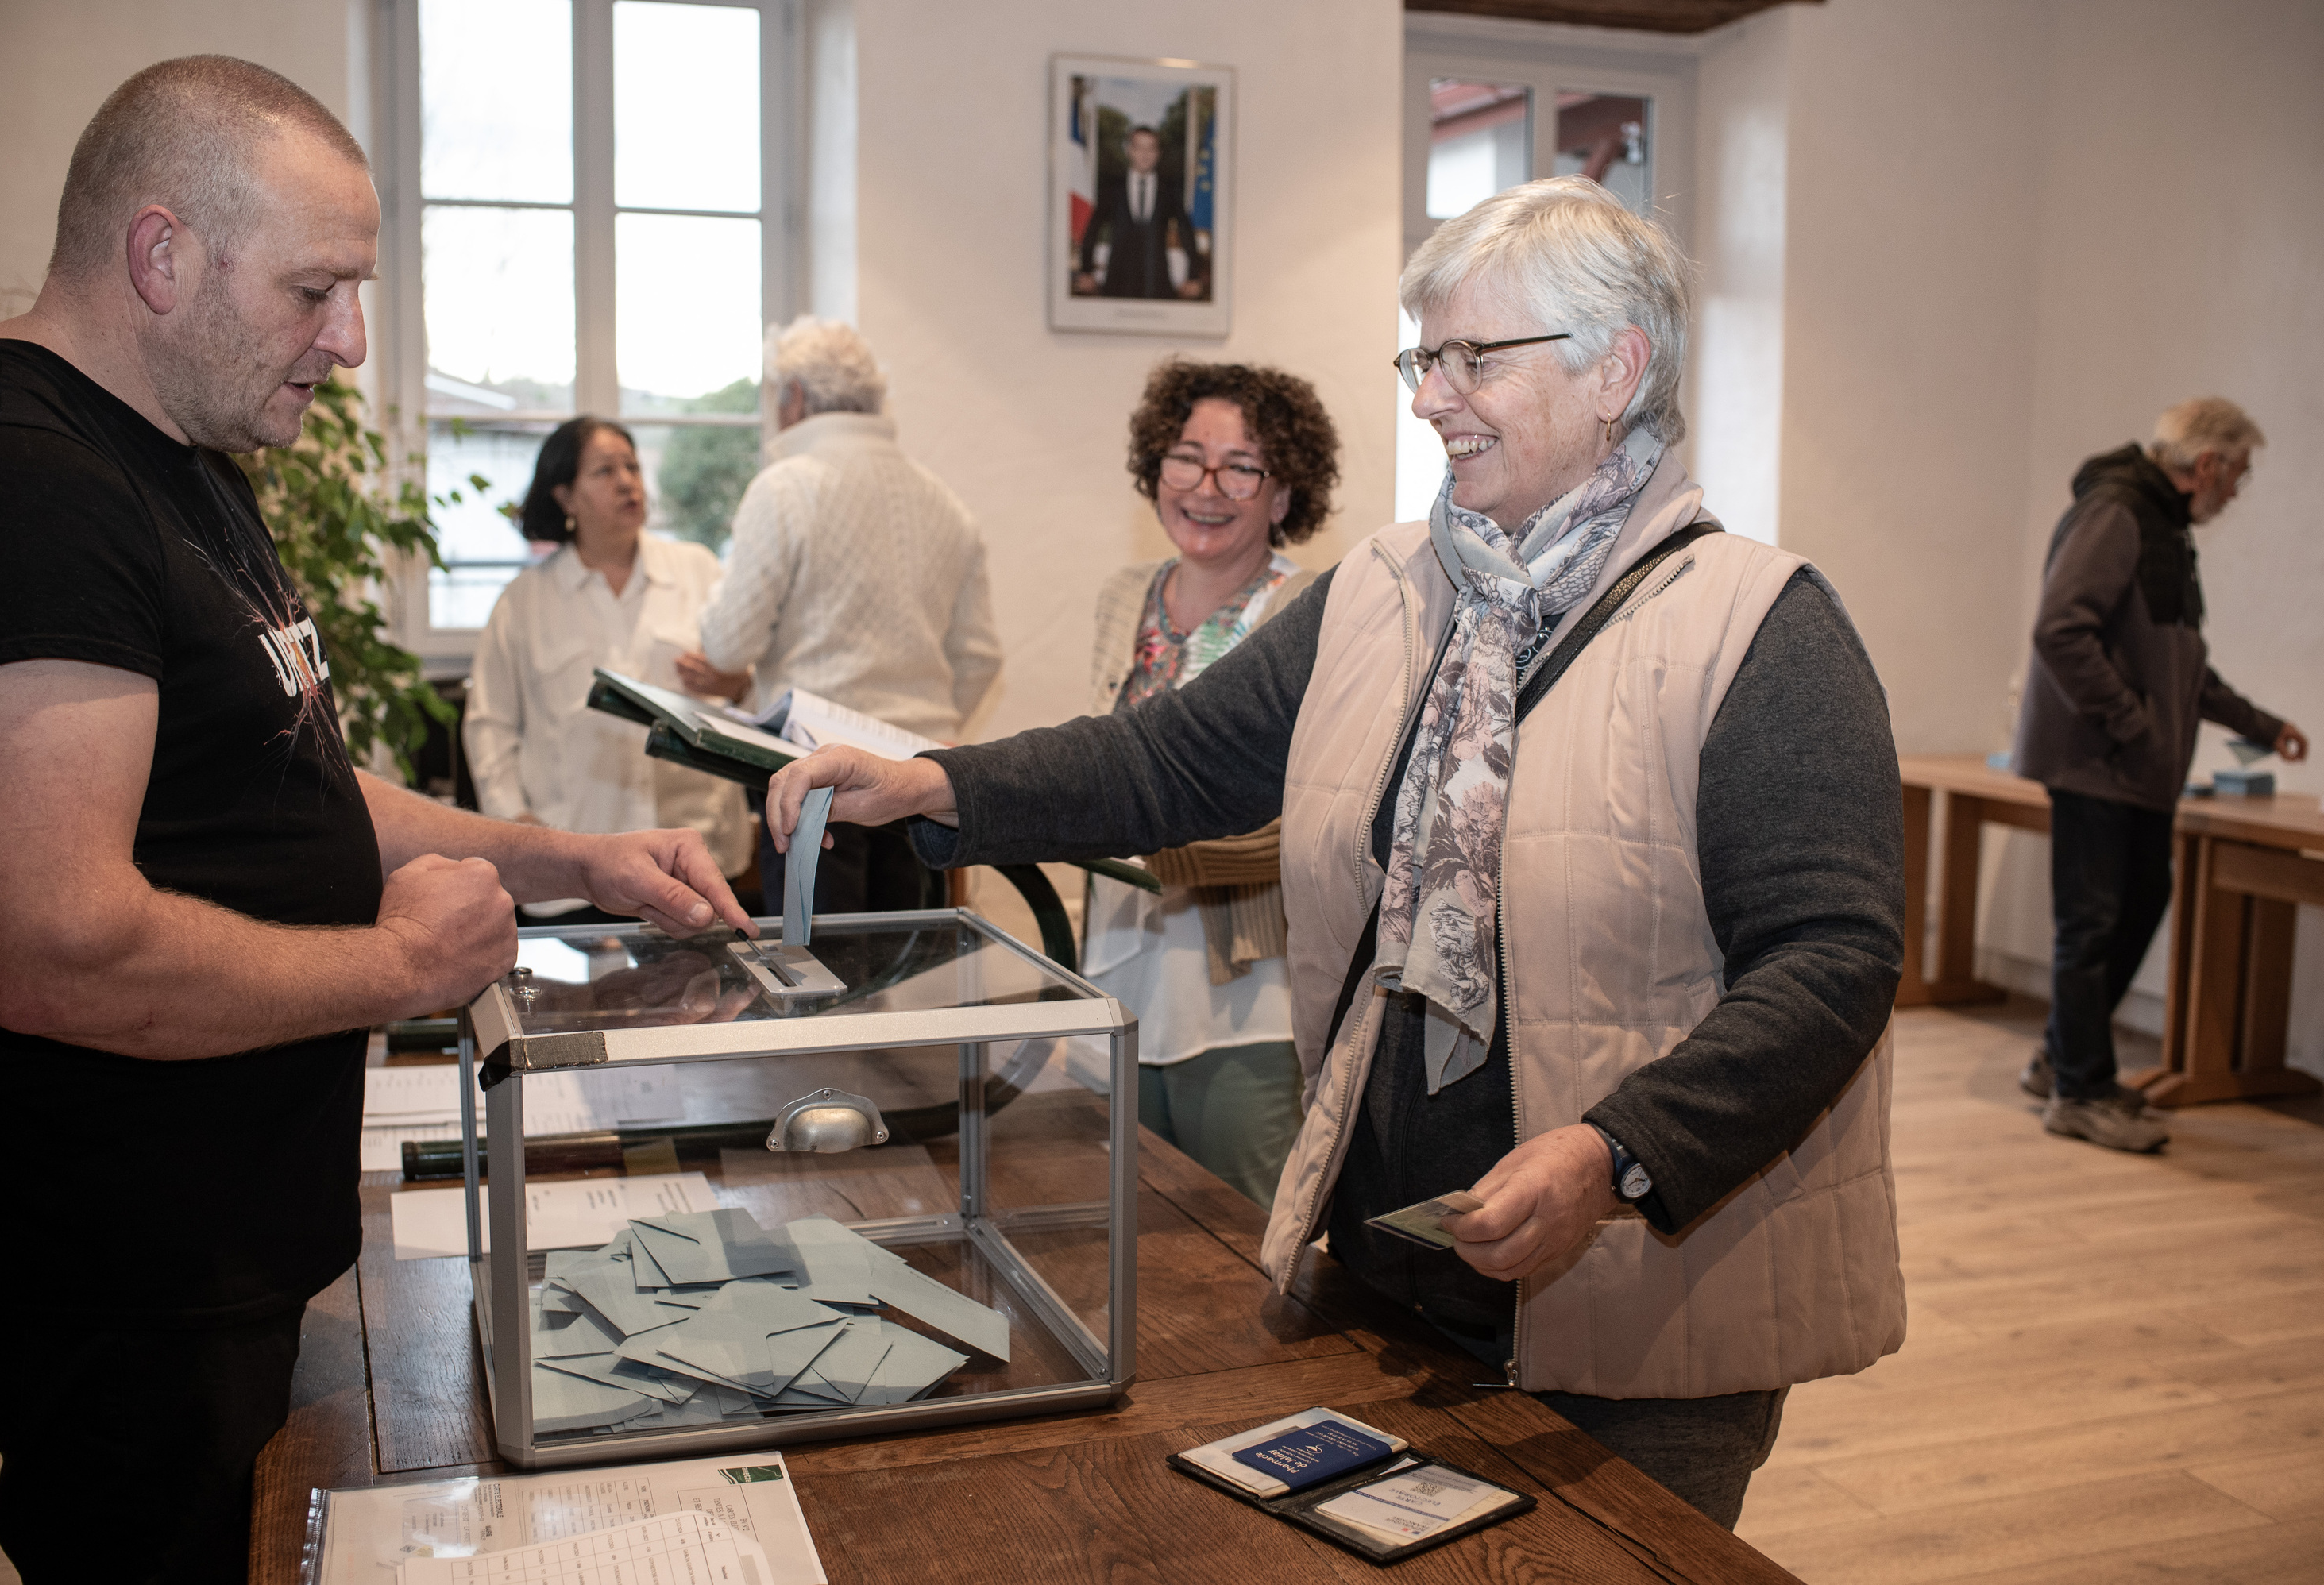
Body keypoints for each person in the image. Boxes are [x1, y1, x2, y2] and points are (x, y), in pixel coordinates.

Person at [763, 176, 1908, 1529]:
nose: (1430, 397)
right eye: (1426, 356)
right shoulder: (1390, 587)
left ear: (1620, 369)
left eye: (1476, 356)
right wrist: (932, 785)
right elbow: (1167, 761)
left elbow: (1832, 959)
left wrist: (1617, 1152)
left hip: (1639, 1312)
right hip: (1390, 1269)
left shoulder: (1763, 625)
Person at [0, 58, 747, 1583]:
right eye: (318, 288)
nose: (350, 339)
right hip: (122, 1281)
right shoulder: (25, 486)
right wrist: (398, 968)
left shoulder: (181, 451)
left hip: (223, 1251)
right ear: (162, 254)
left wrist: (569, 860)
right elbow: (50, 946)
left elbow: (293, 782)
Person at [2011, 399, 2307, 1152]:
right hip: (2097, 764)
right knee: (2094, 925)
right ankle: (2078, 1091)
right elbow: (2060, 629)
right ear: (2207, 464)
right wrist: (2135, 724)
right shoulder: (2117, 514)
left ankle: (2064, 1057)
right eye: (2237, 475)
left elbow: (2183, 670)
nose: (2237, 492)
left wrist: (2263, 726)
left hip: (2133, 770)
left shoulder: (2166, 530)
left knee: (2141, 903)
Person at [1083, 358, 1340, 1208]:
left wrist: (1141, 840)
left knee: (1243, 1236)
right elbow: (1097, 752)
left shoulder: (1310, 611)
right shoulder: (1127, 595)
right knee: (1133, 1226)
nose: (1207, 485)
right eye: (1187, 457)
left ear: (1283, 494)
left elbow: (1312, 812)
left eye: (1241, 466)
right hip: (1119, 971)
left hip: (1243, 995)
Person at [690, 315, 1000, 914]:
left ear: (796, 397)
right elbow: (980, 655)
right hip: (919, 771)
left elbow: (727, 643)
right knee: (907, 975)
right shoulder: (944, 501)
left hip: (813, 775)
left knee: (818, 976)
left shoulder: (785, 489)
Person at [465, 415, 755, 923]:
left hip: (698, 857)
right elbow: (490, 728)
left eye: (633, 466)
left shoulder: (699, 570)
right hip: (573, 873)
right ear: (566, 496)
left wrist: (740, 684)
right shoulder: (525, 602)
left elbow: (756, 694)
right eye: (604, 470)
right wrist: (516, 823)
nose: (627, 481)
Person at [1074, 125, 1198, 299]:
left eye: (1151, 148)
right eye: (1139, 148)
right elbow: (1092, 230)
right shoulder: (1111, 189)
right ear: (1129, 151)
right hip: (1117, 284)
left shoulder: (1170, 191)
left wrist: (1193, 277)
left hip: (1158, 284)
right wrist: (1086, 271)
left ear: (1158, 153)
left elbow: (1186, 233)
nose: (1145, 154)